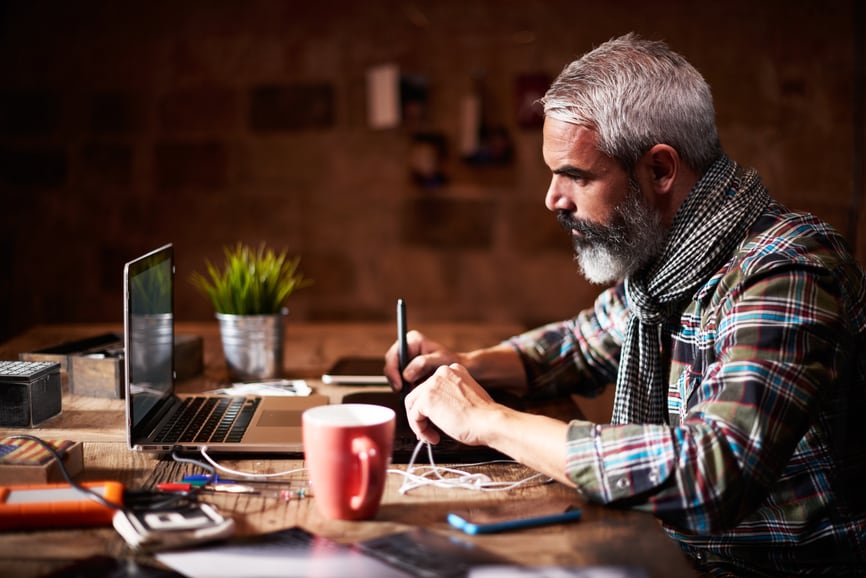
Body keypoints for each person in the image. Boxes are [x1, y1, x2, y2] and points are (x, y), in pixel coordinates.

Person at [384, 33, 866, 576]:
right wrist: (463, 368)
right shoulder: (666, 268)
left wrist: (487, 421)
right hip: (676, 554)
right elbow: (580, 344)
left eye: (575, 175)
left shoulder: (789, 267)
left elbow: (713, 471)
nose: (552, 199)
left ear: (660, 170)